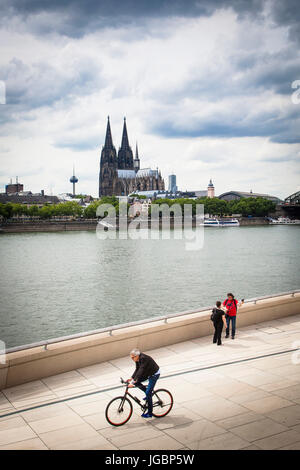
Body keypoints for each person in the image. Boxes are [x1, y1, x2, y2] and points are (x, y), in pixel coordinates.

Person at [127, 349, 160, 419]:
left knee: (148, 393)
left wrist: (133, 382)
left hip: (154, 374)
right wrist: (132, 378)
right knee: (137, 382)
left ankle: (150, 413)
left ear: (137, 356)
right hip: (148, 373)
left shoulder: (143, 358)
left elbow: (141, 370)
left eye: (133, 357)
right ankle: (148, 394)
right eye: (131, 358)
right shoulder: (137, 359)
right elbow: (137, 369)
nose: (132, 359)